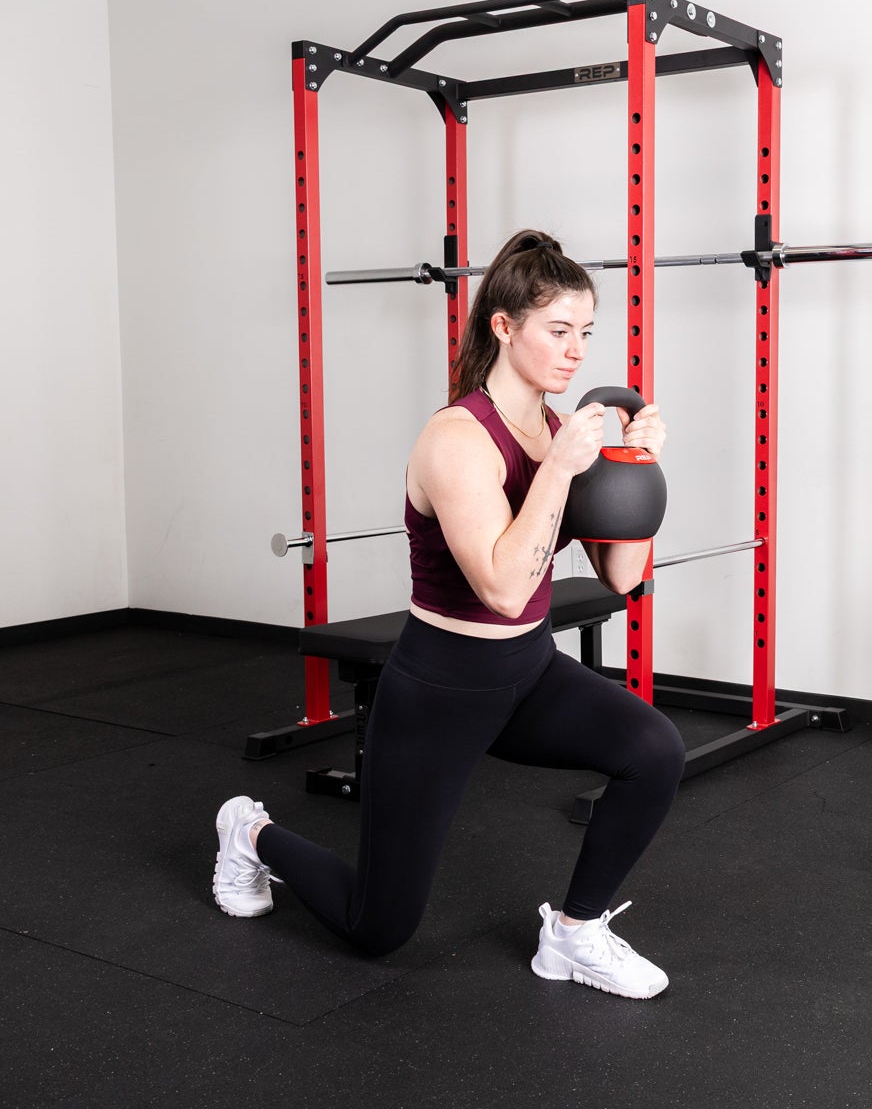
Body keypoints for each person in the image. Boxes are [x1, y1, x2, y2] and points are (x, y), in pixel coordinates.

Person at [210, 228, 686, 999]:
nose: (576, 352)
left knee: (655, 749)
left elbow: (624, 579)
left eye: (586, 333)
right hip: (439, 691)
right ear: (504, 325)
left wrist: (637, 469)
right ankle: (250, 832)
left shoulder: (560, 434)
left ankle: (575, 932)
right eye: (558, 330)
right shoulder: (458, 438)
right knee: (378, 927)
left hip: (526, 672)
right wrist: (561, 473)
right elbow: (501, 586)